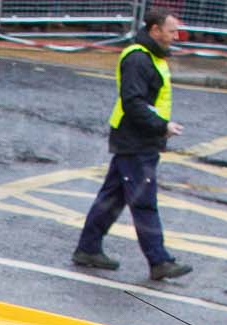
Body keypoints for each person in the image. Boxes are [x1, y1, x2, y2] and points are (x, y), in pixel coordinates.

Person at [73, 10, 193, 283]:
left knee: (112, 197)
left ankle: (88, 248)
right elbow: (134, 103)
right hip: (136, 140)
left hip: (138, 139)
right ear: (154, 30)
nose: (176, 36)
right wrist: (162, 126)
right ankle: (159, 260)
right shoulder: (138, 59)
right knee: (143, 202)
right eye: (171, 31)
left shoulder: (152, 56)